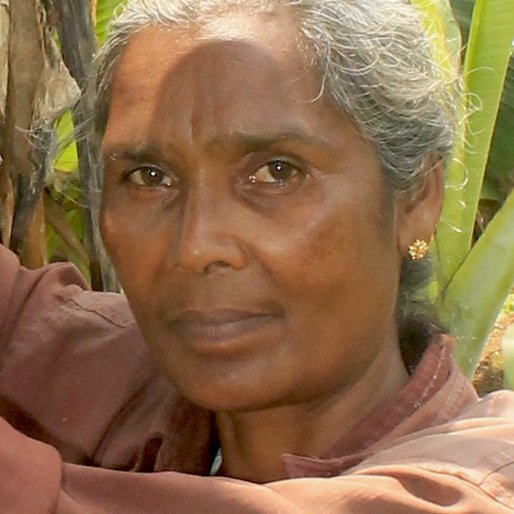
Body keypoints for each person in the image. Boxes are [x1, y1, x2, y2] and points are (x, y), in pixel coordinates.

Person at [1, 0, 514, 512]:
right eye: (149, 177)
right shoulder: (102, 370)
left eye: (276, 172)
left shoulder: (476, 483)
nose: (196, 246)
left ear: (417, 199)